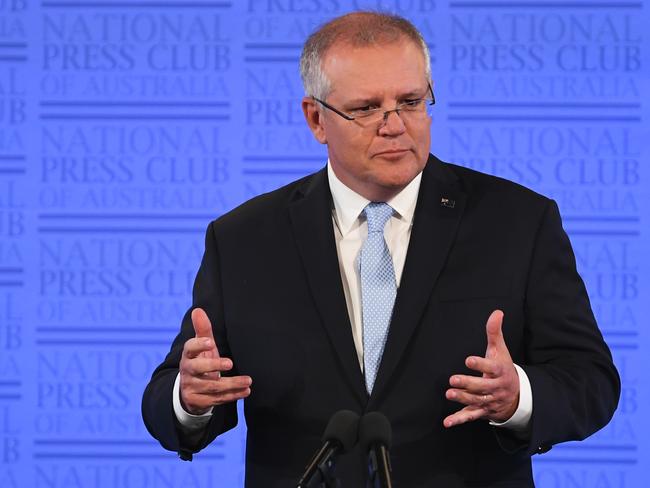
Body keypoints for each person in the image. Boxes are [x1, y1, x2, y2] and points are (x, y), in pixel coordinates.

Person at [142, 11, 620, 487]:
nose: (394, 125)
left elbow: (591, 381)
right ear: (316, 119)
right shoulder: (243, 238)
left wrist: (518, 398)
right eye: (367, 108)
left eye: (411, 101)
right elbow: (167, 400)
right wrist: (190, 398)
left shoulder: (517, 222)